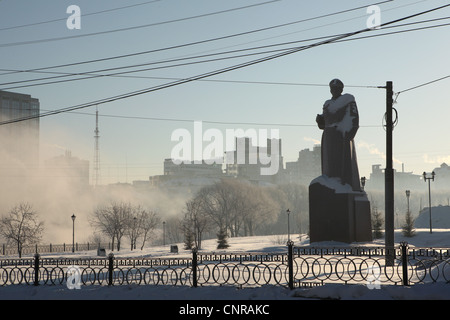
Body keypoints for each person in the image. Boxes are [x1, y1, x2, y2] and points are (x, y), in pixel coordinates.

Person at [316, 79, 361, 191]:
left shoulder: (348, 100)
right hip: (329, 137)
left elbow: (354, 119)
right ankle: (331, 183)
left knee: (343, 166)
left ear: (341, 89)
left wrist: (348, 136)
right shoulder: (327, 104)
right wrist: (320, 120)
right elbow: (324, 124)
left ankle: (343, 185)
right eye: (332, 88)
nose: (334, 90)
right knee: (329, 166)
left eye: (337, 88)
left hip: (341, 137)